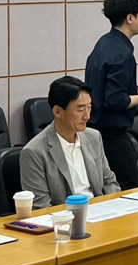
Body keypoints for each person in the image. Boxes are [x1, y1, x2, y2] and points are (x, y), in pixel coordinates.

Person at [84, 0, 138, 190]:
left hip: (94, 132)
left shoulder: (104, 43)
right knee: (129, 187)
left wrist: (133, 95)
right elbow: (114, 100)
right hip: (112, 136)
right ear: (130, 18)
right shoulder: (122, 54)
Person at [20, 76, 120, 207]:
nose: (87, 116)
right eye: (80, 109)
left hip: (100, 210)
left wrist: (113, 207)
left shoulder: (94, 137)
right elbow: (40, 206)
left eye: (89, 107)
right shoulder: (34, 152)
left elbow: (109, 181)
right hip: (65, 215)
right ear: (58, 111)